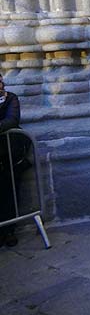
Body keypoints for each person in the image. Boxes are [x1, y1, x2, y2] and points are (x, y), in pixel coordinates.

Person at [0, 72, 21, 248]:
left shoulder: (10, 98)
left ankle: (9, 231)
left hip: (8, 154)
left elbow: (12, 120)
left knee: (9, 191)